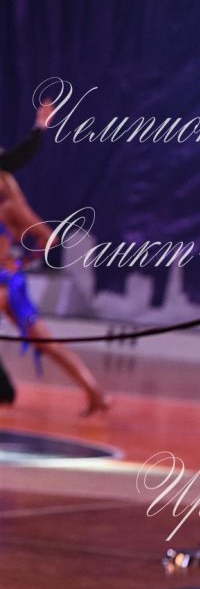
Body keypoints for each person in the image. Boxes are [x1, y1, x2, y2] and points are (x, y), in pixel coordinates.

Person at [0, 164, 110, 416]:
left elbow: (48, 238)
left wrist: (21, 261)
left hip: (5, 282)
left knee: (46, 341)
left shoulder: (11, 207)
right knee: (45, 341)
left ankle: (95, 392)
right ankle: (95, 392)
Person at [0, 101, 51, 404]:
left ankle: (3, 389)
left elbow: (13, 160)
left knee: (42, 337)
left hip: (6, 277)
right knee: (42, 337)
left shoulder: (10, 207)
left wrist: (39, 128)